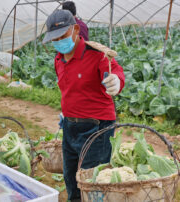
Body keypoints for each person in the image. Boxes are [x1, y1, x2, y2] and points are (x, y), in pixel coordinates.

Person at [42, 10, 125, 201]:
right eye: (54, 39)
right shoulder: (59, 59)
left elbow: (117, 72)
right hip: (70, 126)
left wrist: (117, 81)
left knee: (93, 182)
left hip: (97, 127)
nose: (58, 42)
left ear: (75, 30)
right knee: (71, 178)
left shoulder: (98, 55)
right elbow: (68, 88)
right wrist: (66, 112)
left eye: (62, 36)